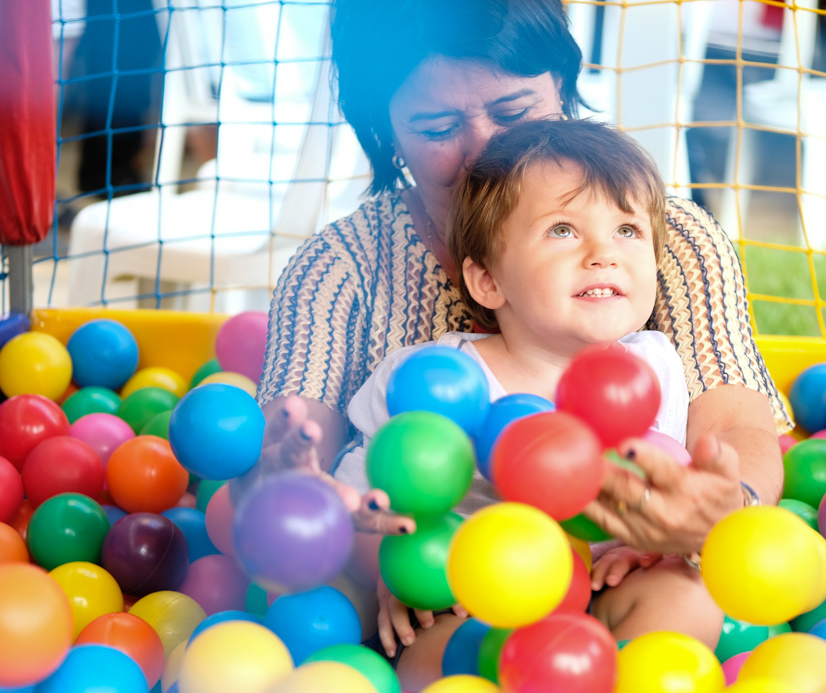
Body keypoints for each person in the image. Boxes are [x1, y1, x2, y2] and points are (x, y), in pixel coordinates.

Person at [235, 0, 787, 573]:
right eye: (438, 128)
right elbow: (291, 447)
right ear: (387, 131)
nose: (483, 152)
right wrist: (295, 497)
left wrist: (723, 509)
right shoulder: (340, 267)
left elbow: (734, 426)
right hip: (447, 577)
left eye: (514, 110)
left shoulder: (668, 239)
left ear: (562, 89)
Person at [331, 117, 736, 689]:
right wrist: (394, 567)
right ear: (488, 281)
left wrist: (647, 548)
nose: (603, 253)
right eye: (563, 230)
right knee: (432, 658)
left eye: (627, 230)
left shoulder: (655, 368)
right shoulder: (435, 380)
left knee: (687, 596)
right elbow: (355, 501)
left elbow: (671, 492)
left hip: (606, 577)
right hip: (476, 595)